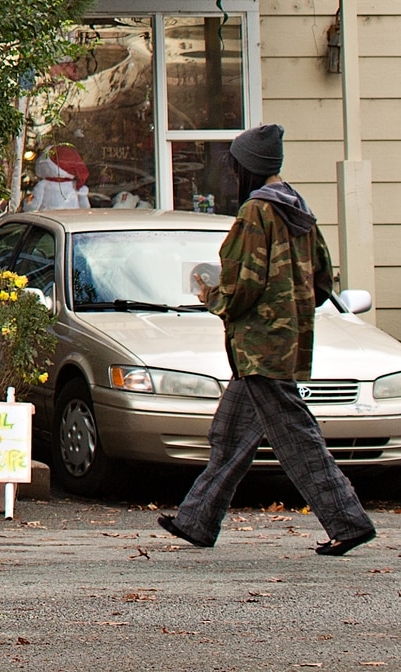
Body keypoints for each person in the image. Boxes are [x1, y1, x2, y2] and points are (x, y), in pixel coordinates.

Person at [158, 123, 376, 557]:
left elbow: (241, 287)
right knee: (230, 433)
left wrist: (208, 292)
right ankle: (196, 521)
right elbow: (322, 279)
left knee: (297, 438)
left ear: (248, 169)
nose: (232, 174)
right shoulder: (298, 209)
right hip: (284, 341)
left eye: (235, 166)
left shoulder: (256, 212)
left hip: (260, 348)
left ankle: (348, 522)